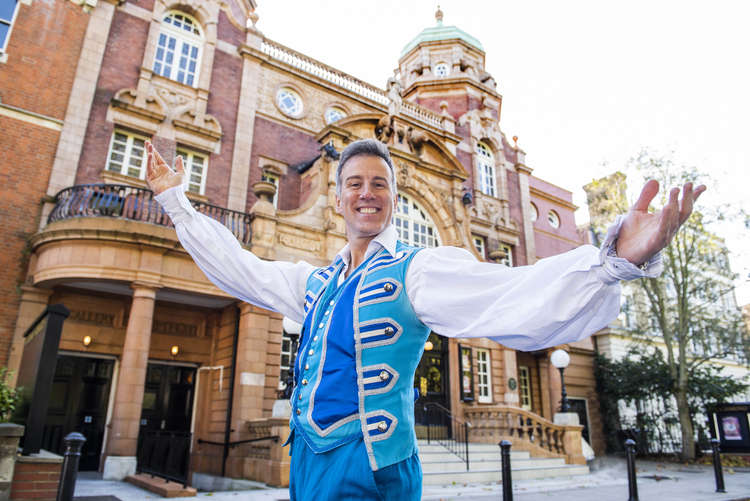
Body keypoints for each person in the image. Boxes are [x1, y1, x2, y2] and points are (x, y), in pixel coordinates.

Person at [145, 138, 704, 501]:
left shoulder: (419, 273)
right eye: (355, 184)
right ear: (338, 199)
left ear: (392, 198)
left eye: (380, 184)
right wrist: (176, 204)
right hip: (309, 470)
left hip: (375, 470)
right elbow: (240, 269)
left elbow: (512, 293)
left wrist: (612, 262)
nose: (367, 193)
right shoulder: (313, 284)